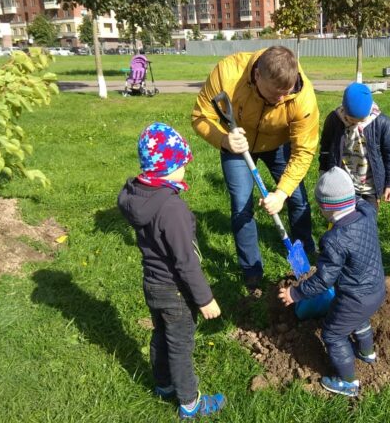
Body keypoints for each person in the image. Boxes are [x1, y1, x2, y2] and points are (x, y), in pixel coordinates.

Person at [117, 122, 226, 420]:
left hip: (152, 283)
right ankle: (190, 403)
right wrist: (204, 299)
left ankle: (163, 384)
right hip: (175, 290)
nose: (186, 170)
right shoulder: (171, 209)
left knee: (161, 335)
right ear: (166, 167)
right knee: (180, 344)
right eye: (182, 165)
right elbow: (185, 262)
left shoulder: (139, 196)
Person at [192, 46, 319, 291]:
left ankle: (306, 253)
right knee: (241, 203)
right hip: (237, 144)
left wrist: (281, 193)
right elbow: (200, 116)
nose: (280, 100)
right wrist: (224, 139)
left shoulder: (302, 96)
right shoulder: (228, 73)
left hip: (278, 143)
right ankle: (252, 270)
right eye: (274, 95)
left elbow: (303, 151)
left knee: (298, 198)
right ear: (257, 75)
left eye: (286, 94)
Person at [278, 167, 386, 397]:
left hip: (353, 297)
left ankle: (348, 382)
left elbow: (324, 280)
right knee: (359, 320)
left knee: (333, 334)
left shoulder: (334, 239)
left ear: (326, 208)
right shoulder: (368, 213)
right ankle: (367, 354)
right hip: (376, 289)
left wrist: (295, 294)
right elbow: (361, 200)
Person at [318, 82, 390, 210]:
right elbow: (325, 149)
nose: (356, 124)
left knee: (367, 221)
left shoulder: (382, 122)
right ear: (344, 110)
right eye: (351, 120)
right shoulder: (334, 120)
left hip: (369, 187)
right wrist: (324, 172)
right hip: (341, 185)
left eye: (361, 120)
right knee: (341, 221)